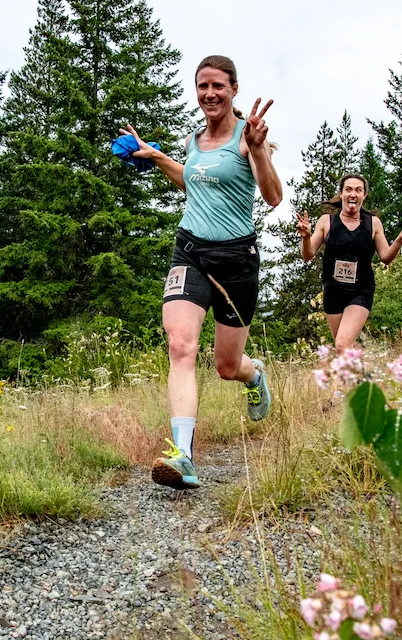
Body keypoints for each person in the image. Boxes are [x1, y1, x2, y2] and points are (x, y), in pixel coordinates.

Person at [120, 55, 282, 490]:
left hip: (236, 260)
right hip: (189, 251)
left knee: (226, 367)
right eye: (202, 86)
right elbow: (193, 180)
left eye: (218, 86)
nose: (210, 94)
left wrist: (261, 149)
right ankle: (183, 455)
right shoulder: (194, 141)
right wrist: (155, 155)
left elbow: (272, 197)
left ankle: (255, 375)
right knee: (180, 345)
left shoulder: (247, 139)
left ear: (233, 90)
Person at [295, 174, 402, 352]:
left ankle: (360, 376)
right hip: (333, 291)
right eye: (348, 189)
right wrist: (306, 237)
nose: (353, 194)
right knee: (345, 352)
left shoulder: (373, 224)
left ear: (364, 196)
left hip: (360, 291)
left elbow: (386, 257)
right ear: (341, 194)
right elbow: (308, 255)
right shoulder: (327, 222)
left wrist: (400, 239)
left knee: (341, 345)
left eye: (358, 190)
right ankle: (363, 376)